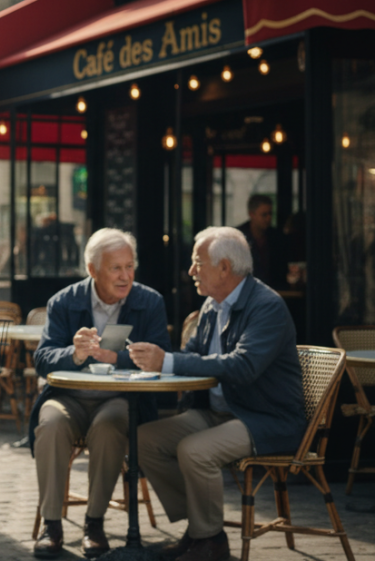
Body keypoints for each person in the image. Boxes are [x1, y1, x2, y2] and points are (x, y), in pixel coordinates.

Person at [128, 226, 303, 561]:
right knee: (144, 439)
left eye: (198, 263)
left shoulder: (267, 306)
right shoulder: (211, 305)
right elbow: (191, 356)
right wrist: (152, 362)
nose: (191, 271)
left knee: (195, 451)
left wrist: (169, 361)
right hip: (221, 411)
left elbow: (244, 366)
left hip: (266, 417)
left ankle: (211, 542)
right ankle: (199, 528)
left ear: (225, 267)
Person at [29, 228, 171, 559]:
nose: (126, 277)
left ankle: (94, 523)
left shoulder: (149, 301)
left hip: (119, 399)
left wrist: (118, 358)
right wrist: (74, 355)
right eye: (116, 268)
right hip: (68, 398)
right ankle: (52, 525)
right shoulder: (64, 301)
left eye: (130, 266)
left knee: (110, 426)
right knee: (49, 424)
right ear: (92, 270)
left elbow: (162, 356)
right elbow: (41, 359)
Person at [235, 194, 288, 289]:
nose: (268, 218)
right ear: (252, 214)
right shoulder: (238, 237)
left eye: (270, 214)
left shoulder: (277, 237)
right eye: (264, 215)